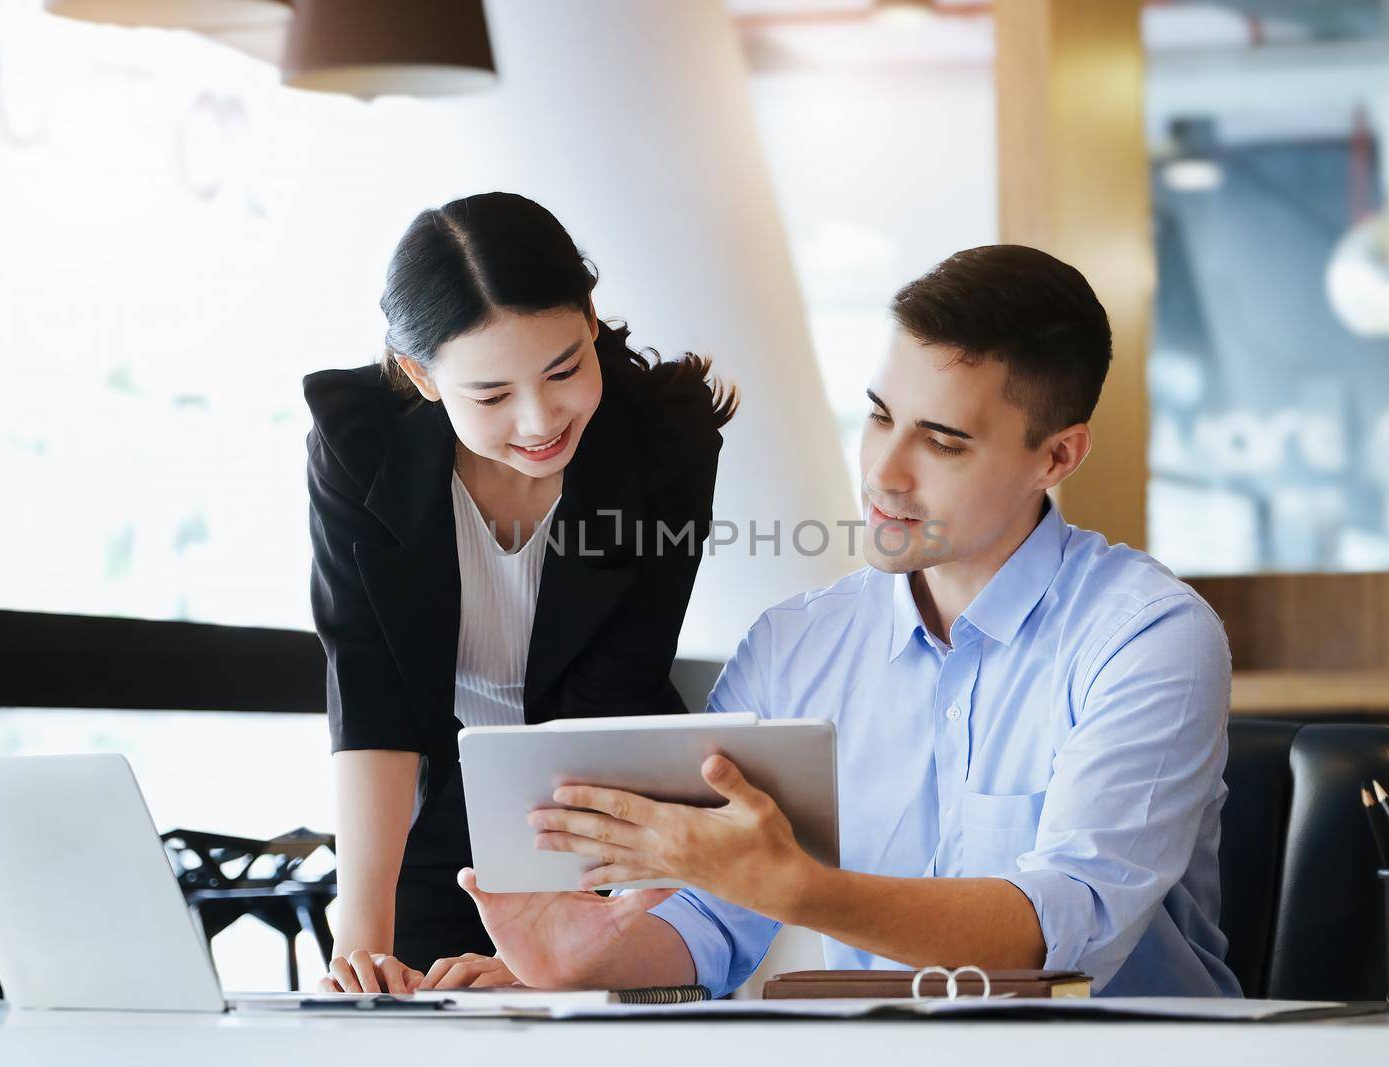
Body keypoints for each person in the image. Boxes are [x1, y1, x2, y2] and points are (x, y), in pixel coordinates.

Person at [437, 244, 1242, 998]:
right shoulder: (795, 646)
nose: (884, 472)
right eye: (880, 415)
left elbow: (1063, 937)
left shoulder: (1149, 636)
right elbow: (712, 918)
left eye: (944, 440)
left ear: (1057, 457)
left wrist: (796, 885)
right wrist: (583, 958)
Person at [303, 192, 736, 993]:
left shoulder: (663, 440)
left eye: (565, 367)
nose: (541, 419)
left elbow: (610, 689)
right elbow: (370, 689)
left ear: (591, 315)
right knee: (405, 1000)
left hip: (619, 809)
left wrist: (549, 951)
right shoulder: (358, 444)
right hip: (449, 805)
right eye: (492, 395)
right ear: (421, 377)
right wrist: (358, 936)